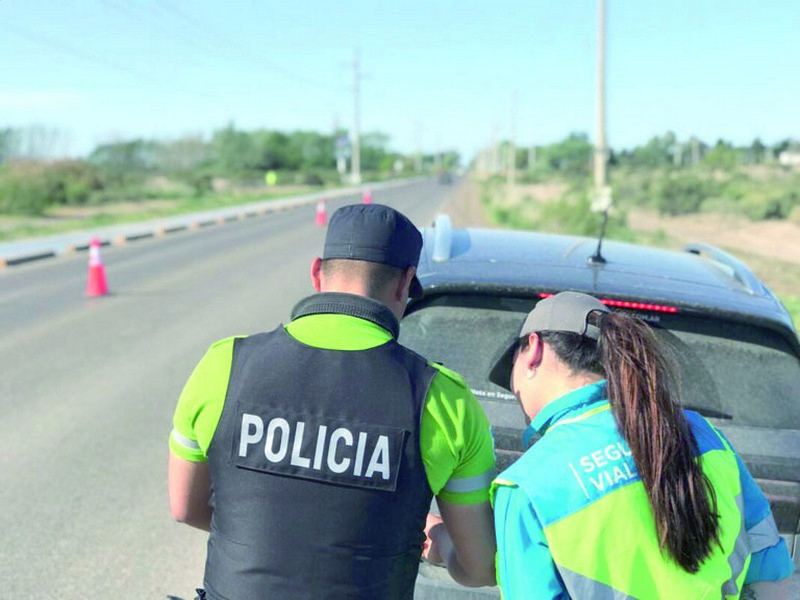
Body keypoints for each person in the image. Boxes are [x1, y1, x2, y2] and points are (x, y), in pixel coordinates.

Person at [168, 203, 496, 599]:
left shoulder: (225, 364)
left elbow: (186, 507)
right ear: (405, 283)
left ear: (317, 273)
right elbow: (479, 568)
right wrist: (439, 540)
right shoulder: (442, 398)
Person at [486, 291, 795, 599]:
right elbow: (772, 575)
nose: (514, 388)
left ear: (534, 351)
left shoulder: (526, 485)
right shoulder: (702, 434)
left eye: (511, 369)